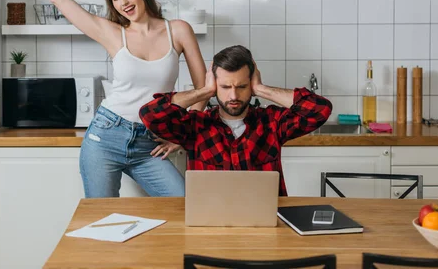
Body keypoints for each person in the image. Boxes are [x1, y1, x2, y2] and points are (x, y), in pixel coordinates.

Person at [0, 0, 207, 198]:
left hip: (149, 143)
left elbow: (203, 88)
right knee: (102, 220)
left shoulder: (178, 30)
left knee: (184, 203)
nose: (124, 2)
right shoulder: (113, 33)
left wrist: (180, 135)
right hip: (105, 137)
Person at [139, 45, 332, 196]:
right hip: (211, 226)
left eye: (242, 86)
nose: (233, 95)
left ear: (251, 85)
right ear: (214, 85)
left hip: (265, 227)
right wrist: (204, 91)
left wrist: (262, 89)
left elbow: (319, 109)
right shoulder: (195, 126)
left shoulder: (272, 123)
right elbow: (151, 114)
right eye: (224, 86)